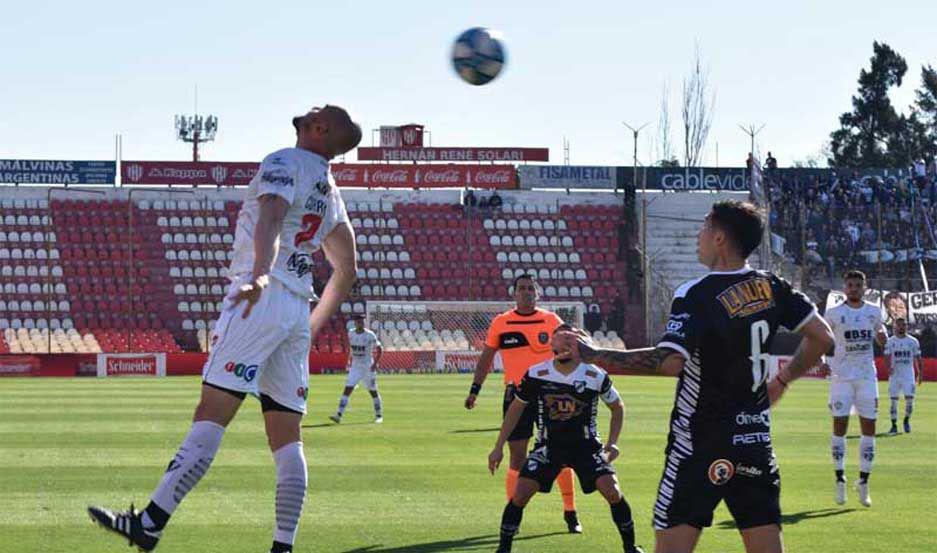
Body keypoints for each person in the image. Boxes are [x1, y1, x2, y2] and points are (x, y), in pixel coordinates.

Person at [88, 105, 362, 553]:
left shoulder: (283, 161)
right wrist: (310, 326)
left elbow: (272, 214)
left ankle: (150, 524)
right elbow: (346, 271)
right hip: (295, 308)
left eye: (319, 110)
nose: (310, 109)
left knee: (212, 413)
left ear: (319, 128)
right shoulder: (330, 191)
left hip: (264, 296)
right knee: (287, 439)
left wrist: (258, 273)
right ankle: (283, 546)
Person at [555, 200, 832, 553]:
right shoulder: (774, 287)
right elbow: (823, 338)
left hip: (698, 444)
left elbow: (671, 362)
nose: (697, 236)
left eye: (703, 228)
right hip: (754, 442)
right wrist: (782, 380)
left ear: (719, 238)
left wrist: (595, 356)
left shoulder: (696, 293)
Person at [488, 325, 645, 553]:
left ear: (579, 346)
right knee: (520, 494)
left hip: (587, 447)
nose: (564, 344)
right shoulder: (536, 373)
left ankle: (630, 547)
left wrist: (612, 443)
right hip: (548, 447)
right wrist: (498, 446)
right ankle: (503, 549)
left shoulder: (594, 375)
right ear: (551, 345)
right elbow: (516, 409)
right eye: (560, 339)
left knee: (612, 490)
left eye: (570, 340)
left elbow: (617, 407)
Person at [464, 274, 582, 533]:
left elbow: (573, 348)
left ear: (537, 293)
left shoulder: (551, 320)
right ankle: (512, 514)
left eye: (531, 288)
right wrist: (475, 389)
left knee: (561, 452)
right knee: (517, 454)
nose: (527, 292)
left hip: (550, 393)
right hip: (516, 394)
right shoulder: (502, 322)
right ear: (514, 294)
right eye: (522, 288)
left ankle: (570, 513)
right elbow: (486, 357)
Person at [822, 269, 887, 508]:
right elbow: (821, 336)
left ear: (865, 287)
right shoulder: (834, 313)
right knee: (839, 427)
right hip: (841, 378)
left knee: (868, 429)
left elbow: (882, 332)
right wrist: (820, 358)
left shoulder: (874, 311)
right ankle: (839, 478)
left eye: (858, 285)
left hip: (867, 378)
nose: (853, 288)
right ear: (844, 288)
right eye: (850, 284)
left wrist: (882, 337)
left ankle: (864, 481)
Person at [330, 314, 384, 423]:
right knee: (347, 389)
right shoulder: (351, 333)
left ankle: (379, 416)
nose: (360, 323)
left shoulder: (370, 335)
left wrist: (374, 364)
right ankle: (338, 415)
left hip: (368, 367)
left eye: (362, 321)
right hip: (355, 367)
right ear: (355, 323)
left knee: (373, 391)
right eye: (358, 321)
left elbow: (380, 349)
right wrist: (349, 361)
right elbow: (351, 348)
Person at [883, 317, 922, 434]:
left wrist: (920, 373)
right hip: (895, 375)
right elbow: (886, 356)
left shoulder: (913, 341)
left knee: (909, 400)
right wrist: (888, 367)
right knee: (894, 401)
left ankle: (906, 420)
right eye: (899, 325)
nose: (901, 327)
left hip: (908, 375)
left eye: (903, 325)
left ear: (906, 326)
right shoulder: (890, 341)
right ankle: (894, 424)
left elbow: (918, 358)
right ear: (895, 326)